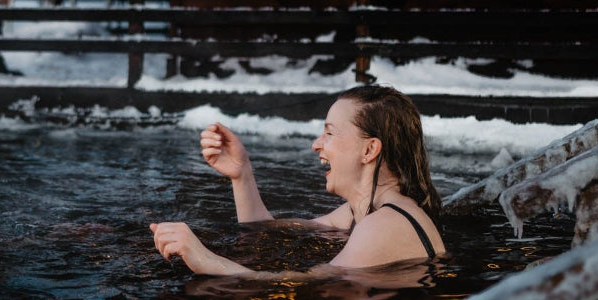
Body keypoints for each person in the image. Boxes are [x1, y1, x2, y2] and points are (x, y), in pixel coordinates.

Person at [151, 84, 444, 277]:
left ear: (369, 150)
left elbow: (297, 284)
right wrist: (242, 174)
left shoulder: (384, 225)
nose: (317, 144)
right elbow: (266, 232)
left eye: (329, 133)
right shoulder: (361, 213)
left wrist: (204, 259)